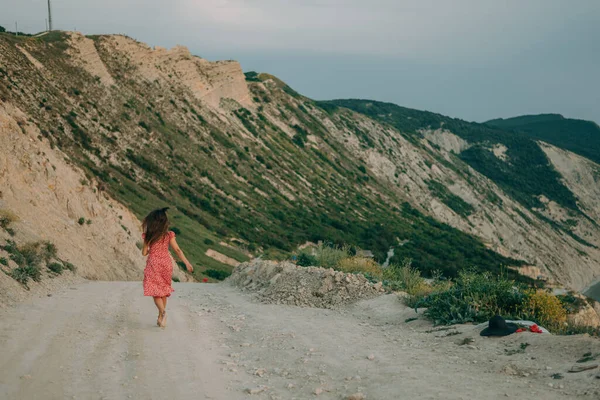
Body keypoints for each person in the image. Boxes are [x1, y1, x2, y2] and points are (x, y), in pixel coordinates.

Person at [141, 207, 193, 328]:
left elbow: (144, 253)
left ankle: (163, 313)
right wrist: (187, 262)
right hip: (166, 263)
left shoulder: (148, 235)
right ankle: (161, 317)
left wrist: (150, 250)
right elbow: (177, 250)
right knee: (163, 290)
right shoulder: (169, 235)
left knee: (155, 291)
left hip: (154, 263)